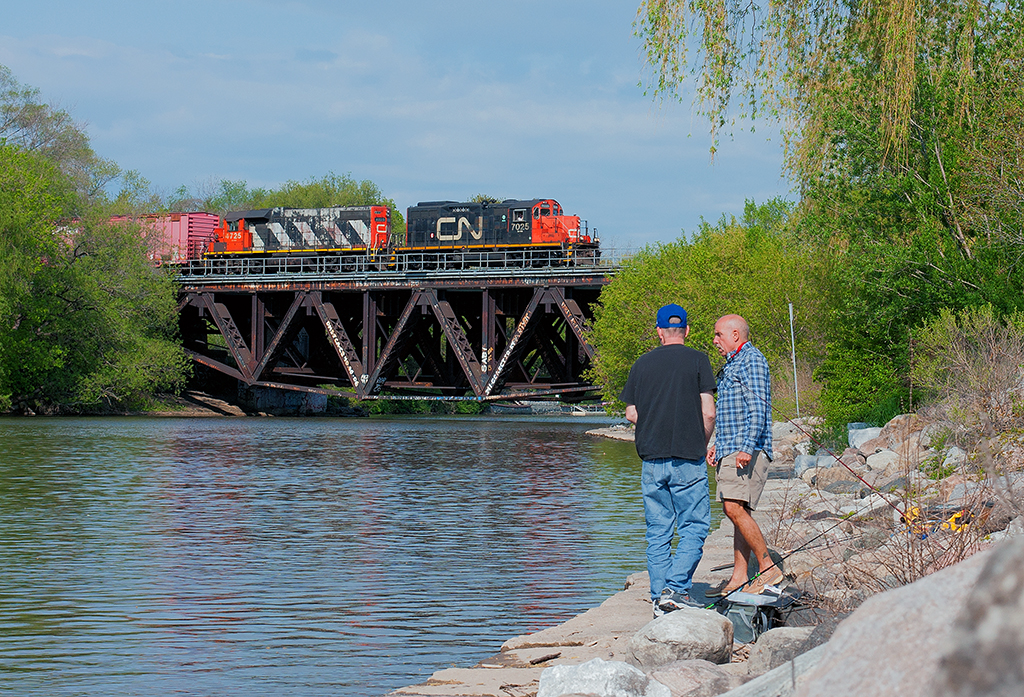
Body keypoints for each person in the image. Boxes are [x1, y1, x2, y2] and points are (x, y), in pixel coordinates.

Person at [620, 304, 717, 616]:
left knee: (658, 531)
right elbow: (709, 412)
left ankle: (658, 598)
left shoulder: (642, 364)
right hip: (688, 458)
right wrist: (701, 442)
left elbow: (631, 413)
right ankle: (675, 590)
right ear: (687, 331)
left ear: (659, 331)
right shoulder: (699, 360)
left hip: (652, 458)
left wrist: (654, 425)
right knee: (694, 525)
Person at [707, 314, 781, 597]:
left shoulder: (752, 359)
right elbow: (732, 411)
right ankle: (739, 577)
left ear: (735, 335)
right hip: (732, 446)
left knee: (733, 508)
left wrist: (747, 448)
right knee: (738, 510)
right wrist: (718, 444)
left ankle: (767, 566)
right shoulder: (733, 363)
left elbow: (758, 409)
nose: (715, 341)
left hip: (747, 449)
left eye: (718, 335)